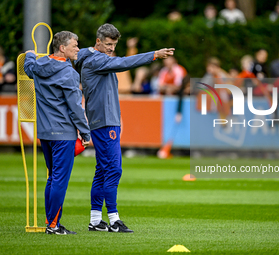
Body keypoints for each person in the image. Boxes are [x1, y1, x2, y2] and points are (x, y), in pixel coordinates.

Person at [75, 23, 174, 233]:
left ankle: (95, 220)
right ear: (98, 42)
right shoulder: (95, 60)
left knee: (102, 170)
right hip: (104, 122)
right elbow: (124, 63)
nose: (111, 48)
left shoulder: (93, 57)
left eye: (114, 44)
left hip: (105, 121)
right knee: (113, 169)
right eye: (108, 44)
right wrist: (153, 55)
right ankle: (113, 219)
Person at [24, 31, 91, 235]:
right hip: (64, 133)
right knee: (59, 179)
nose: (78, 48)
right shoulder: (69, 73)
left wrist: (29, 53)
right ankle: (53, 225)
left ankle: (51, 222)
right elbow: (75, 108)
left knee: (52, 178)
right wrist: (86, 134)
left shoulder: (38, 65)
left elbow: (28, 67)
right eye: (75, 45)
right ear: (62, 48)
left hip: (45, 133)